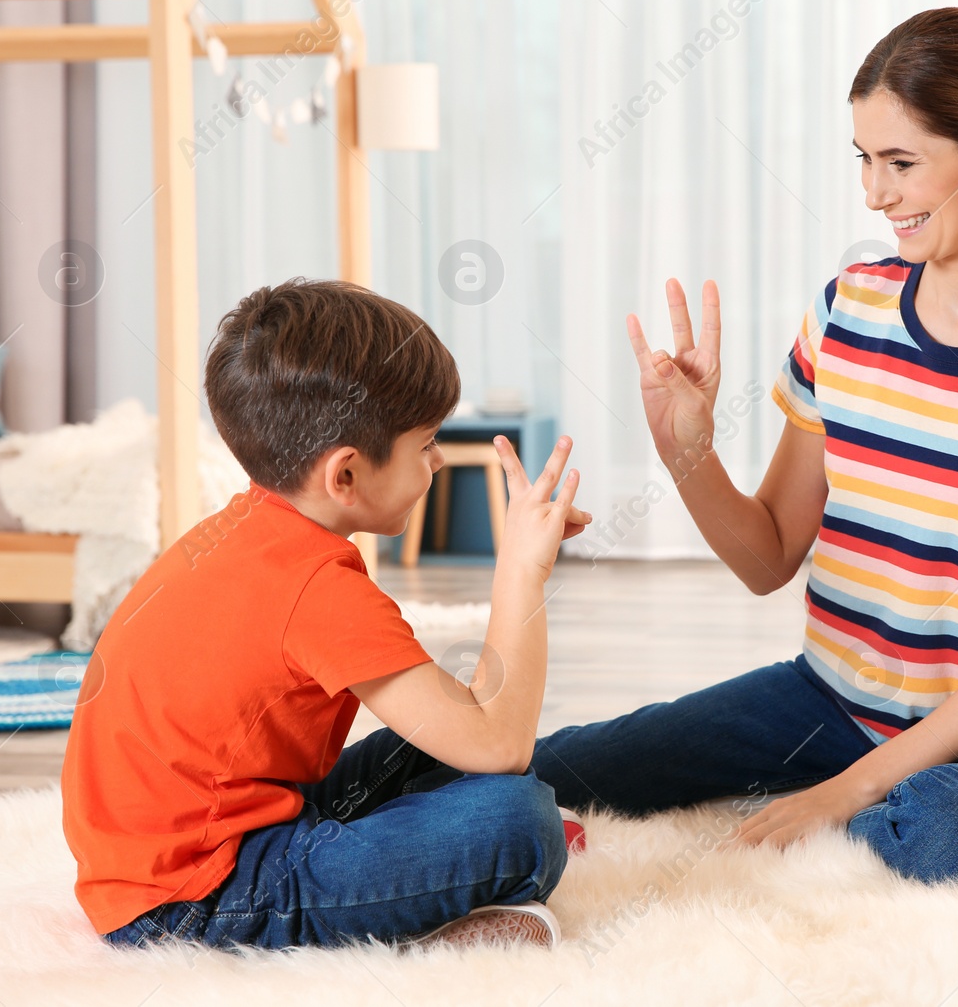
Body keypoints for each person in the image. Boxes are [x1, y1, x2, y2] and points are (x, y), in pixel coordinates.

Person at [530, 6, 958, 884]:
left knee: (941, 828)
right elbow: (767, 555)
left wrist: (846, 792)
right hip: (829, 700)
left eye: (901, 162)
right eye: (864, 159)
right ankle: (320, 809)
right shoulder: (847, 311)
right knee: (563, 766)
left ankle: (829, 828)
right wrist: (685, 449)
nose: (874, 191)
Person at [63, 278, 591, 952]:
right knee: (521, 823)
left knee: (429, 740)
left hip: (186, 846)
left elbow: (481, 733)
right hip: (192, 900)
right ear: (345, 476)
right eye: (426, 443)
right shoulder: (316, 585)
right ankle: (425, 927)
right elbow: (502, 746)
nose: (436, 461)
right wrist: (521, 569)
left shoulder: (243, 530)